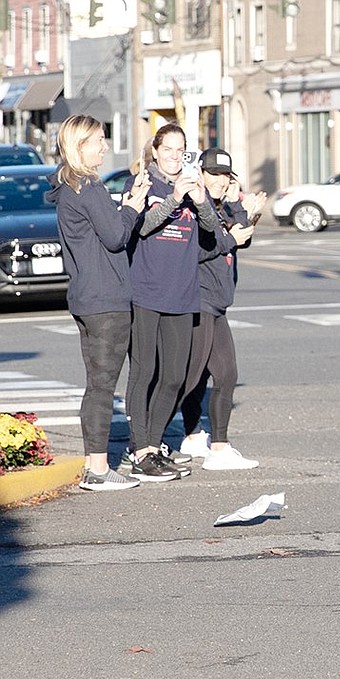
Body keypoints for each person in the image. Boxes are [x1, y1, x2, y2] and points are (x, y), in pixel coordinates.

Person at [46, 115, 151, 491]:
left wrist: (123, 207)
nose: (105, 146)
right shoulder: (88, 186)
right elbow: (115, 236)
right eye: (99, 141)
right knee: (103, 386)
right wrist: (133, 205)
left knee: (96, 384)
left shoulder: (67, 186)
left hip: (86, 296)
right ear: (80, 146)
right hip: (106, 298)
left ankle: (97, 464)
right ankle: (99, 469)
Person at [123, 122, 221, 481]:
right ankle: (140, 449)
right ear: (155, 150)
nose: (174, 157)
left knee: (175, 376)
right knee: (144, 370)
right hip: (146, 291)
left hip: (183, 292)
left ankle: (154, 443)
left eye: (181, 151)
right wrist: (174, 198)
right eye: (168, 149)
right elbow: (142, 226)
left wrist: (198, 200)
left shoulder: (193, 183)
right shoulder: (143, 183)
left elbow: (211, 228)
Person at [175, 147, 265, 470]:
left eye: (225, 175)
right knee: (187, 378)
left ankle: (212, 443)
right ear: (200, 174)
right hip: (198, 300)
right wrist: (232, 233)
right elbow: (199, 250)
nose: (220, 180)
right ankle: (145, 441)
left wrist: (249, 213)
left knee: (220, 375)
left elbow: (242, 237)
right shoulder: (195, 207)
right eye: (214, 174)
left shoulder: (221, 207)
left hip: (216, 302)